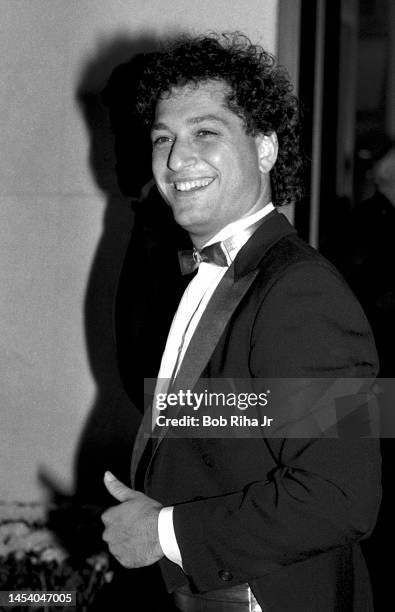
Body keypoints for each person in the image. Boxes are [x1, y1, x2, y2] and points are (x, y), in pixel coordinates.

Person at [101, 33, 381, 611]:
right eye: (163, 138)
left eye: (205, 132)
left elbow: (343, 497)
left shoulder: (304, 292)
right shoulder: (217, 277)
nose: (176, 159)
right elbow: (244, 418)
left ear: (266, 149)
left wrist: (162, 530)